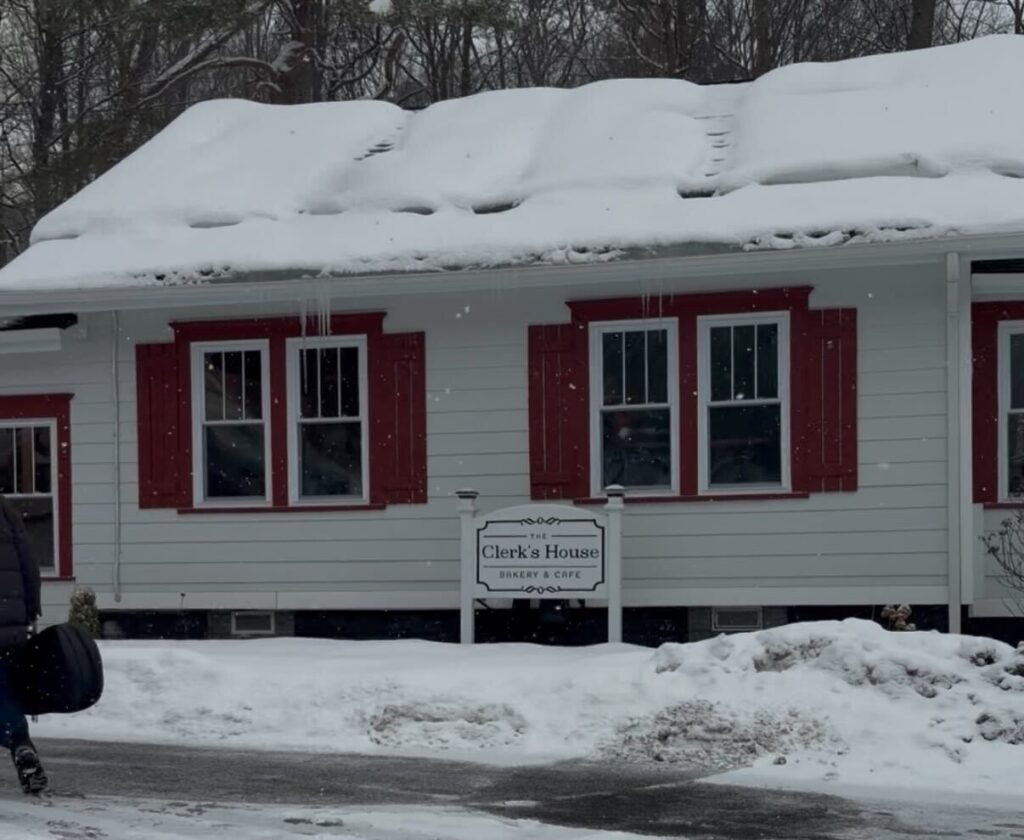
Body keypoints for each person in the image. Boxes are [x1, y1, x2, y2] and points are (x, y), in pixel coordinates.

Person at [0, 495, 47, 794]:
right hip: (11, 624)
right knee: (5, 689)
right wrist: (29, 611)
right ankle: (20, 744)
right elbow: (29, 564)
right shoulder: (5, 510)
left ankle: (19, 743)